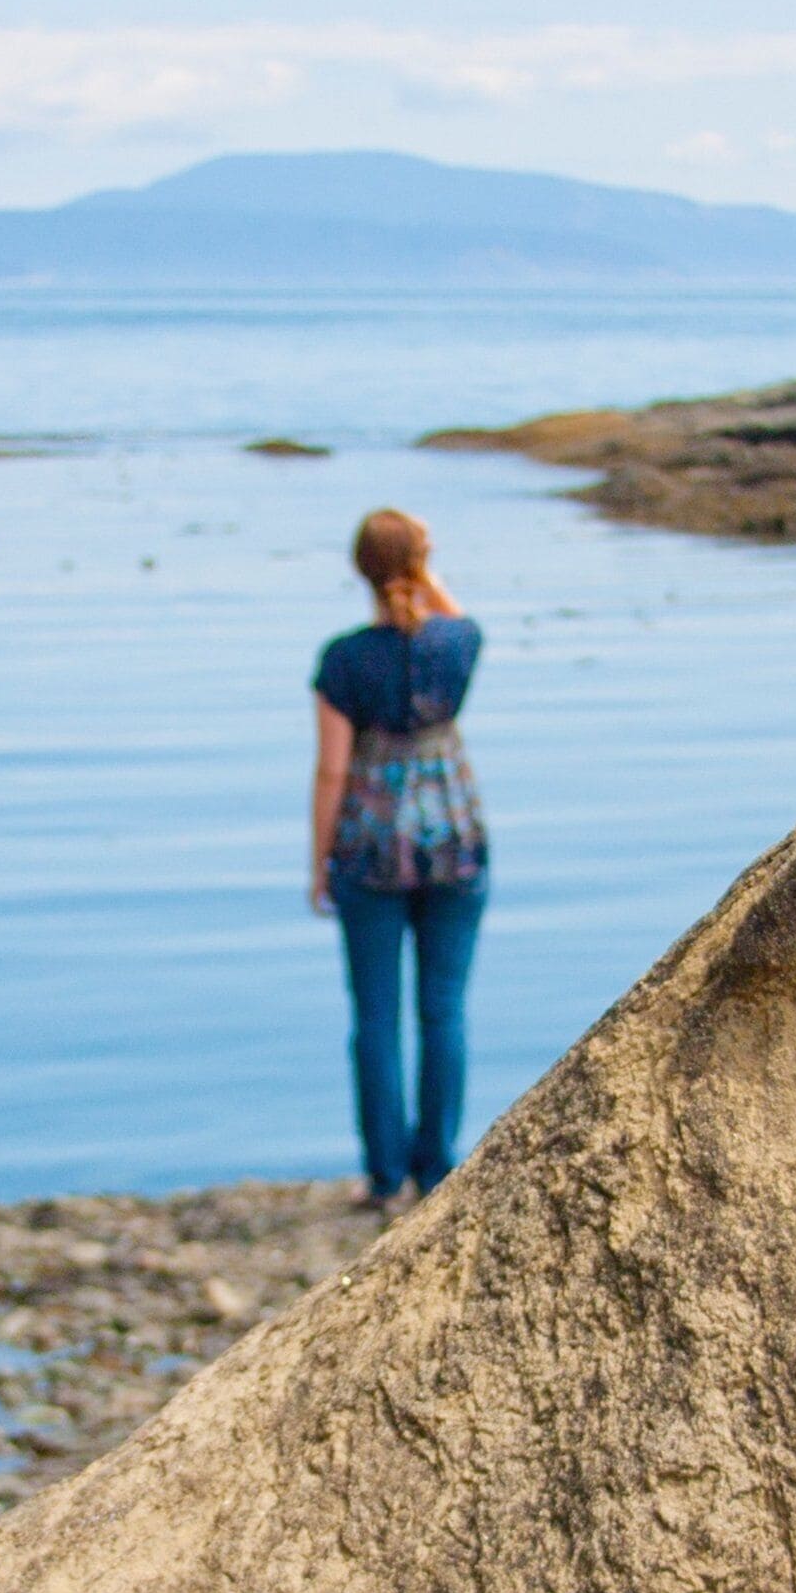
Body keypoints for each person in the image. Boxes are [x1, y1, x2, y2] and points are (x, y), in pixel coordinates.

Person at [309, 508, 487, 1205]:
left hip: (370, 849)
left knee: (376, 1018)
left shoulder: (344, 659)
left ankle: (385, 1178)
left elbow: (331, 772)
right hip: (454, 841)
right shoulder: (459, 643)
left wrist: (319, 859)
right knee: (445, 1011)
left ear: (360, 569)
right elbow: (453, 614)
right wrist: (422, 565)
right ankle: (436, 1169)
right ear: (422, 564)